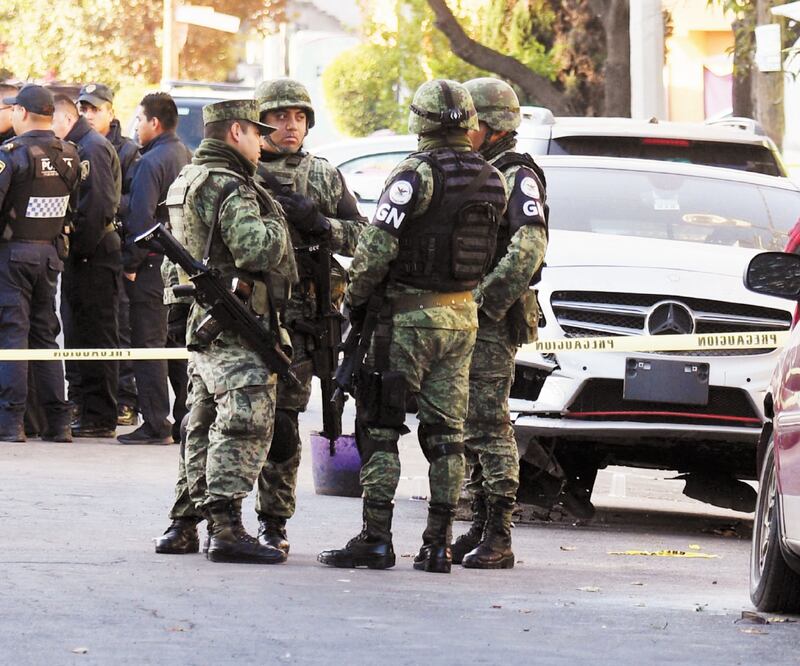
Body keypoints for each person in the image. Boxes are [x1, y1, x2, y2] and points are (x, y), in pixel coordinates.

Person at [318, 80, 507, 574]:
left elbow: (375, 249)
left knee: (380, 426)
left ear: (420, 121)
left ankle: (376, 539)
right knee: (448, 434)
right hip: (462, 317)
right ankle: (438, 545)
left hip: (407, 319)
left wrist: (353, 303)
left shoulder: (413, 174)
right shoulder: (493, 178)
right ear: (468, 121)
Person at [168, 99, 296, 564]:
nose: (264, 143)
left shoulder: (188, 178)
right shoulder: (230, 185)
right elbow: (256, 251)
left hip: (204, 323)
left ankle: (183, 524)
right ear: (236, 132)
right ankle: (225, 528)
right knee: (245, 419)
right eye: (257, 133)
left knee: (200, 423)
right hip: (234, 325)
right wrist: (281, 223)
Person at [450, 77, 548, 569]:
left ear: (487, 126)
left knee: (489, 426)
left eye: (469, 123)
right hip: (466, 314)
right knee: (469, 423)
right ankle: (479, 523)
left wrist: (486, 304)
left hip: (490, 320)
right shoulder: (483, 169)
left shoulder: (517, 174)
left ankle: (500, 534)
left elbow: (529, 246)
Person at [0, 84, 80, 442]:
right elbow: (72, 207)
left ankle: (11, 421)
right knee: (46, 336)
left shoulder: (12, 154)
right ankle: (57, 422)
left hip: (13, 254)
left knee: (12, 336)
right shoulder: (71, 155)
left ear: (20, 113)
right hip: (49, 256)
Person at [118, 92, 190, 445]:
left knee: (148, 344)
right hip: (181, 264)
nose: (136, 127)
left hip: (152, 264)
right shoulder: (184, 154)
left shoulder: (151, 161)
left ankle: (155, 423)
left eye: (139, 120)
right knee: (175, 344)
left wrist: (131, 263)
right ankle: (183, 419)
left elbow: (141, 220)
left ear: (154, 123)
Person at [52, 95, 122, 438]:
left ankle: (100, 415)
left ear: (63, 119)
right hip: (84, 252)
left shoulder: (90, 148)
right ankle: (84, 406)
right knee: (79, 332)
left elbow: (98, 207)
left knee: (97, 333)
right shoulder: (79, 144)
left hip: (94, 252)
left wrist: (78, 250)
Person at [77, 82, 140, 428]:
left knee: (118, 329)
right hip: (91, 249)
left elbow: (136, 202)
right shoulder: (76, 143)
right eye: (83, 109)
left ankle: (125, 399)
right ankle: (85, 400)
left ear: (110, 112)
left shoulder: (127, 151)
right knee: (86, 329)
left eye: (95, 109)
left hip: (116, 250)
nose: (88, 115)